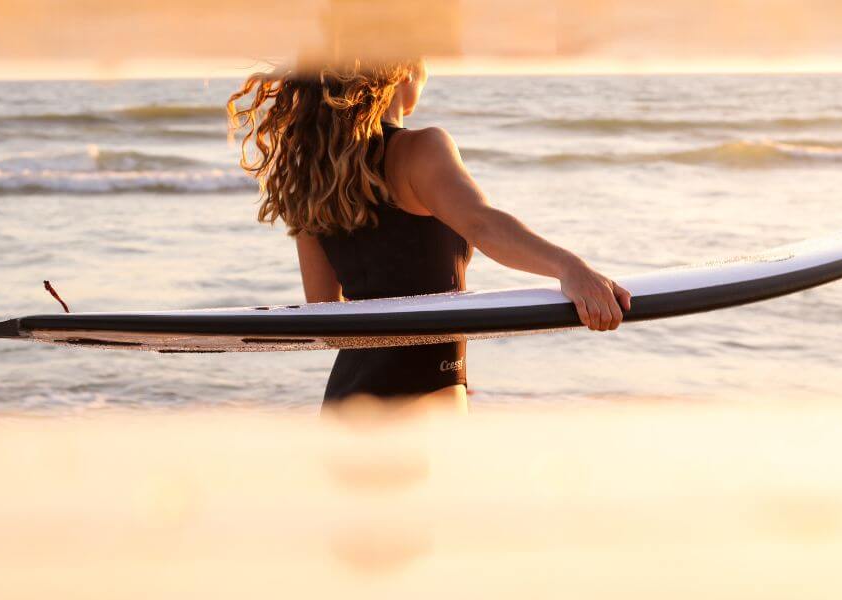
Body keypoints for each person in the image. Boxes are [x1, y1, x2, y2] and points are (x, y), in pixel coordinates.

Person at [229, 57, 631, 413]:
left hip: (349, 403)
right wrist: (570, 268)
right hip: (423, 403)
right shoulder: (421, 149)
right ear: (403, 69)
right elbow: (481, 223)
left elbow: (324, 313)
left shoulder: (315, 175)